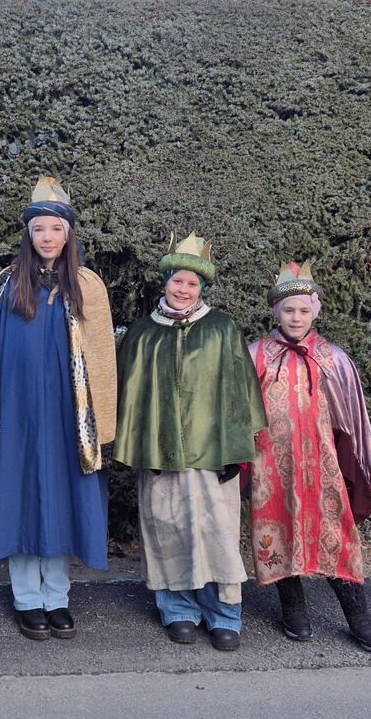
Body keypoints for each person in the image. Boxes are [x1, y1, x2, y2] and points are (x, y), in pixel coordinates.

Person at [0, 177, 116, 641]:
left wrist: (101, 419)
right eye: (39, 230)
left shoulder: (87, 285)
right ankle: (28, 599)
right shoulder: (9, 284)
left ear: (68, 234)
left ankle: (58, 597)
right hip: (23, 415)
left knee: (64, 500)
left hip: (71, 417)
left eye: (55, 229)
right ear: (28, 235)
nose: (47, 237)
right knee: (23, 499)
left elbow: (103, 356)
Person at [114, 233, 266, 651]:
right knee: (167, 529)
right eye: (177, 281)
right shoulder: (143, 333)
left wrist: (236, 449)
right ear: (165, 282)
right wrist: (139, 444)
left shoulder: (221, 329)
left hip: (212, 452)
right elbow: (129, 395)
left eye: (192, 284)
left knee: (217, 531)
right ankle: (177, 609)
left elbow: (240, 390)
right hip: (159, 452)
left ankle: (224, 613)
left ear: (202, 288)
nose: (183, 290)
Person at [246, 261, 371, 652]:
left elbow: (352, 418)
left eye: (303, 310)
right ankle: (293, 608)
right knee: (276, 529)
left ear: (315, 312)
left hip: (322, 464)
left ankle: (358, 615)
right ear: (276, 313)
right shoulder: (256, 355)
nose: (296, 317)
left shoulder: (332, 358)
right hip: (270, 465)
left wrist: (359, 465)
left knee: (335, 533)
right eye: (288, 310)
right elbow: (240, 411)